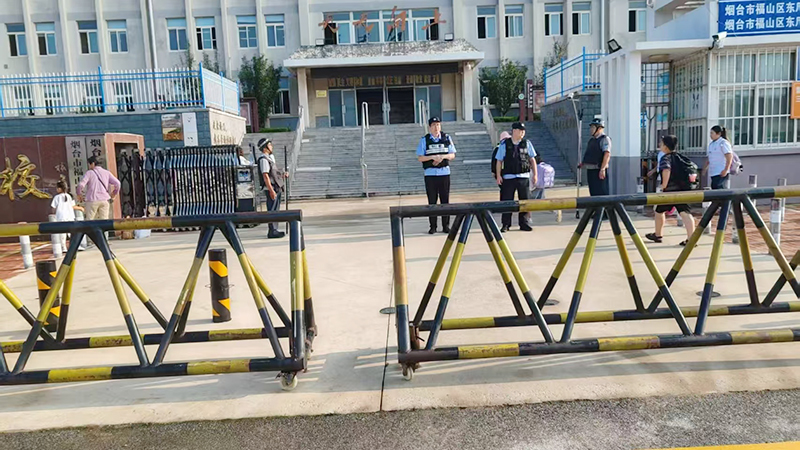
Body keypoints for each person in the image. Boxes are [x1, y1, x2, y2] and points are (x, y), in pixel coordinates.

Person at [645, 135, 696, 246]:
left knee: (659, 211)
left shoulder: (666, 158)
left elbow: (666, 169)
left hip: (670, 191)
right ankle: (691, 239)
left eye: (661, 143)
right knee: (685, 213)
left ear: (666, 146)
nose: (660, 145)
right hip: (683, 190)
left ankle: (658, 234)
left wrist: (664, 185)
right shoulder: (680, 157)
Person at [416, 117, 456, 234]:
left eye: (438, 125)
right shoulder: (424, 140)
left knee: (445, 200)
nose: (436, 127)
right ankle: (433, 226)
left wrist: (442, 157)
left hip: (444, 173)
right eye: (434, 125)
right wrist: (432, 157)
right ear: (430, 127)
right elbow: (420, 157)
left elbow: (452, 155)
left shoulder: (446, 138)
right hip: (430, 174)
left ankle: (446, 226)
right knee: (432, 201)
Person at [495, 122, 537, 232]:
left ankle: (524, 223)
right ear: (514, 131)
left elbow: (532, 159)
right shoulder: (504, 144)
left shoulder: (527, 143)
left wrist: (535, 174)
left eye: (523, 131)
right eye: (520, 130)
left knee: (524, 201)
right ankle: (506, 224)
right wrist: (498, 175)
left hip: (523, 176)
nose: (523, 133)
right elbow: (499, 161)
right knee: (507, 201)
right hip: (509, 177)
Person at [257, 138, 289, 239]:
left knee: (275, 210)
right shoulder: (264, 160)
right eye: (270, 145)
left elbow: (274, 174)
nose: (272, 147)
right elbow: (265, 176)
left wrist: (283, 175)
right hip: (271, 188)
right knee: (272, 210)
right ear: (265, 148)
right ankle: (272, 231)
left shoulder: (269, 158)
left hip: (276, 187)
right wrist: (271, 191)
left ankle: (275, 229)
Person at [77, 156, 120, 221]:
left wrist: (79, 194)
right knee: (104, 222)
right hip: (105, 200)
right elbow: (118, 183)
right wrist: (114, 193)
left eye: (89, 164)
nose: (89, 166)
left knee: (90, 221)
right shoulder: (107, 173)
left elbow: (81, 185)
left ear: (93, 164)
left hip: (92, 200)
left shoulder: (89, 173)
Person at [579, 118, 611, 197]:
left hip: (599, 170)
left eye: (593, 127)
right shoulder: (592, 140)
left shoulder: (604, 139)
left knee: (601, 192)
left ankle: (604, 205)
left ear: (599, 128)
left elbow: (607, 154)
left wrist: (602, 169)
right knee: (593, 192)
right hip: (591, 170)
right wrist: (583, 163)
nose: (591, 129)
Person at [50, 180, 85, 252]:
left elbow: (53, 207)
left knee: (62, 233)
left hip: (61, 217)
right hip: (70, 216)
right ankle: (75, 246)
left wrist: (54, 214)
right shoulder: (69, 196)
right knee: (72, 232)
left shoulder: (57, 197)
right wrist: (80, 208)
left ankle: (63, 247)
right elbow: (73, 206)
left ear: (59, 189)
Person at [704, 125, 733, 190]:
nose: (710, 135)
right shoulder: (711, 144)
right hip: (713, 172)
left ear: (719, 134)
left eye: (712, 133)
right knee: (714, 188)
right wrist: (705, 168)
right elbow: (710, 158)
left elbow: (729, 157)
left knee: (720, 189)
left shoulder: (723, 143)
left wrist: (726, 169)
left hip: (721, 172)